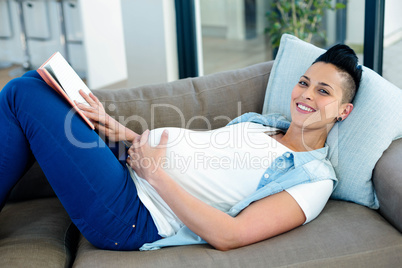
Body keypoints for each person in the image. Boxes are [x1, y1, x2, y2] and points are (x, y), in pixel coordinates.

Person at [0, 44, 362, 251]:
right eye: (304, 82)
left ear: (344, 111)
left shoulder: (313, 179)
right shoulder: (263, 124)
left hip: (134, 214)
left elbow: (229, 235)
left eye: (323, 91)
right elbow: (199, 163)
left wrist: (155, 175)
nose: (306, 95)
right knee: (38, 80)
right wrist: (119, 131)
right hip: (130, 169)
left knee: (22, 92)